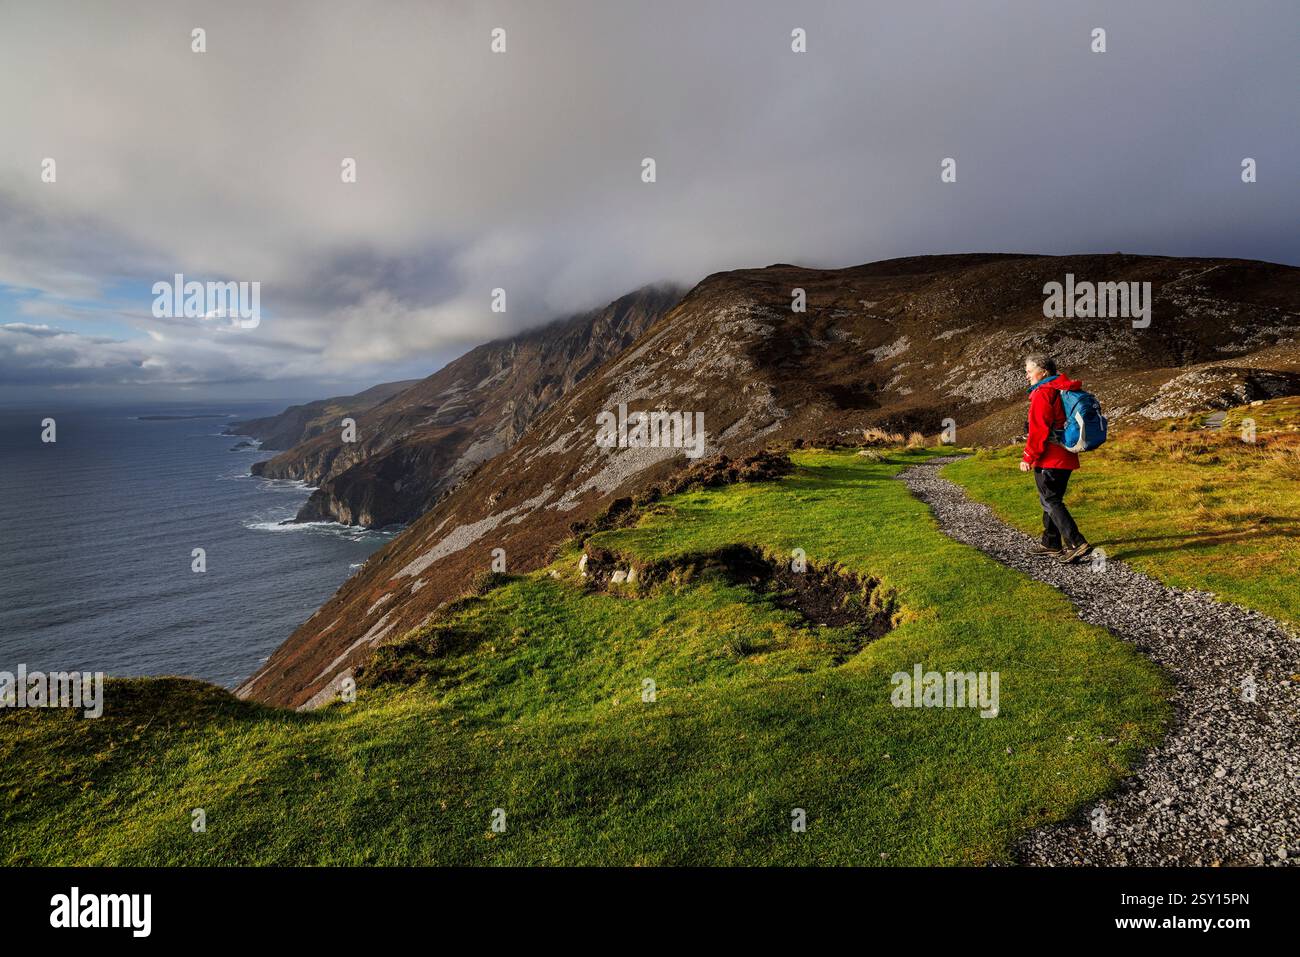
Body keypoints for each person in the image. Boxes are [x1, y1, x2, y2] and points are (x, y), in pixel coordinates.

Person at [1019, 354, 1091, 563]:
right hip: (1066, 455)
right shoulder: (1063, 388)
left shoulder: (1043, 392)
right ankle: (1051, 542)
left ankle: (1077, 542)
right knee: (1051, 499)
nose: (1027, 376)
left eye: (1029, 371)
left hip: (1050, 457)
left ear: (1043, 372)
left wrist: (1028, 457)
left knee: (1050, 499)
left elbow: (1038, 429)